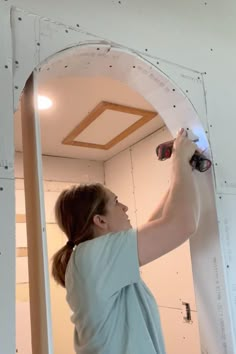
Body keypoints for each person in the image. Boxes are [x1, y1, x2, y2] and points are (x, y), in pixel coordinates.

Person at [52, 128, 200, 354]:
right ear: (100, 220)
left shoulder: (95, 258)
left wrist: (181, 171)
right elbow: (181, 225)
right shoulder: (93, 257)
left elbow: (159, 223)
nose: (125, 208)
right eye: (116, 202)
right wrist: (179, 160)